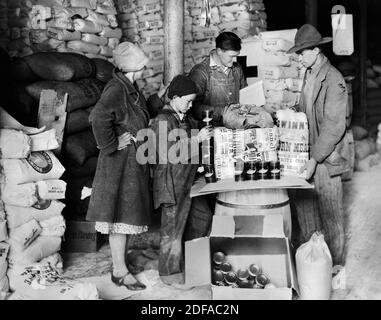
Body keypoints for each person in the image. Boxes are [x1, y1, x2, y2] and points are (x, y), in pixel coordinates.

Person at [86, 42, 153, 290]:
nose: (145, 69)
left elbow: (137, 116)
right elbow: (98, 117)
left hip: (130, 162)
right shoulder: (117, 88)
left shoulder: (130, 88)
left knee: (125, 216)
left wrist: (159, 99)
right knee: (118, 218)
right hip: (118, 163)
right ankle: (118, 270)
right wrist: (112, 144)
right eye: (143, 65)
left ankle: (121, 265)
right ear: (136, 66)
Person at [287, 24, 351, 266]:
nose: (299, 57)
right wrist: (290, 113)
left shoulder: (334, 79)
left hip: (327, 158)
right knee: (305, 211)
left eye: (302, 52)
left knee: (331, 217)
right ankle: (311, 267)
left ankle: (334, 269)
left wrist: (314, 160)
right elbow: (306, 110)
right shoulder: (309, 73)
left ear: (315, 50)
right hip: (308, 155)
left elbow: (334, 126)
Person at [149, 75, 213, 285]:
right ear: (174, 98)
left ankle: (188, 261)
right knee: (172, 232)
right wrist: (197, 139)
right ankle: (170, 275)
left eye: (193, 101)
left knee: (203, 218)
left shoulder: (183, 118)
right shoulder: (162, 120)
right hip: (171, 184)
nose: (191, 104)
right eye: (188, 100)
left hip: (188, 182)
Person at [189, 31, 248, 126]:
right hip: (210, 129)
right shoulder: (200, 72)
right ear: (219, 51)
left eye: (235, 56)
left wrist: (246, 106)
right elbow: (194, 107)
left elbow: (245, 94)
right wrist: (222, 112)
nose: (234, 61)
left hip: (235, 126)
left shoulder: (237, 69)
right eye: (231, 56)